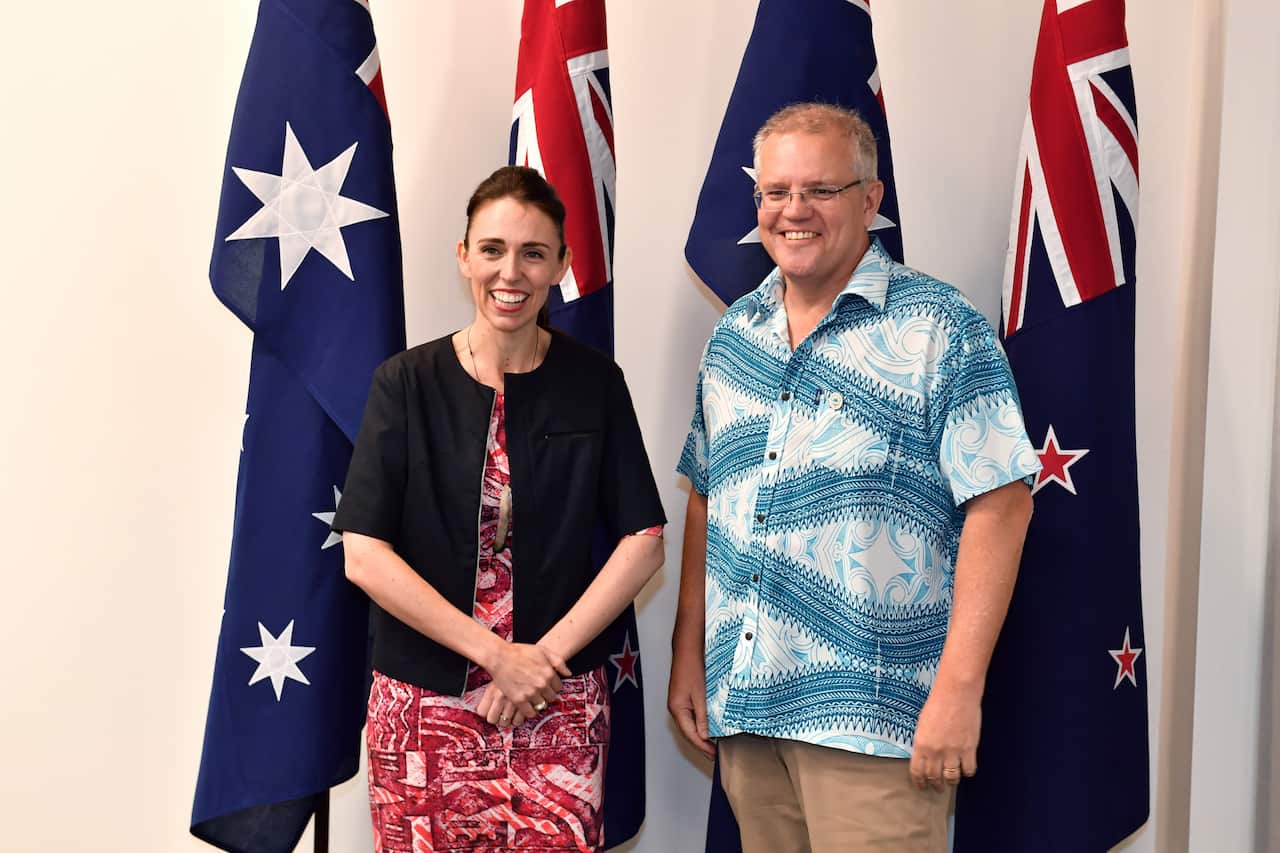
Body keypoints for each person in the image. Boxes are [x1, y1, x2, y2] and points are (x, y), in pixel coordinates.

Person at [669, 103, 1042, 851]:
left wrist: (959, 690)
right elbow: (710, 499)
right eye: (775, 192)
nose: (793, 211)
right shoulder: (735, 334)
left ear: (870, 201)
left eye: (820, 190)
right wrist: (689, 652)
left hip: (876, 727)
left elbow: (1001, 505)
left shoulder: (939, 327)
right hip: (751, 712)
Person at [333, 165, 666, 851]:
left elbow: (645, 539)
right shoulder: (405, 382)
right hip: (424, 713)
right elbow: (364, 555)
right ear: (463, 257)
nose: (509, 271)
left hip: (559, 702)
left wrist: (538, 660)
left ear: (562, 266)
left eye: (533, 252)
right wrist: (494, 654)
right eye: (491, 249)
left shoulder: (595, 383)